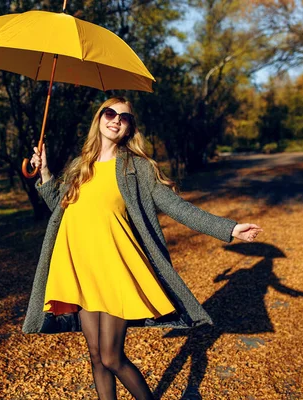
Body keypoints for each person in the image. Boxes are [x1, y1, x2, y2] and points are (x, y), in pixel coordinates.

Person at [22, 97, 263, 400]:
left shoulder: (136, 169)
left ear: (129, 129)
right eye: (110, 113)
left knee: (111, 357)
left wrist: (229, 229)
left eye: (124, 118)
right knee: (96, 357)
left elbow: (177, 207)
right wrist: (44, 173)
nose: (116, 120)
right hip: (81, 269)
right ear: (99, 118)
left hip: (116, 270)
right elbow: (61, 206)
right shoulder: (80, 166)